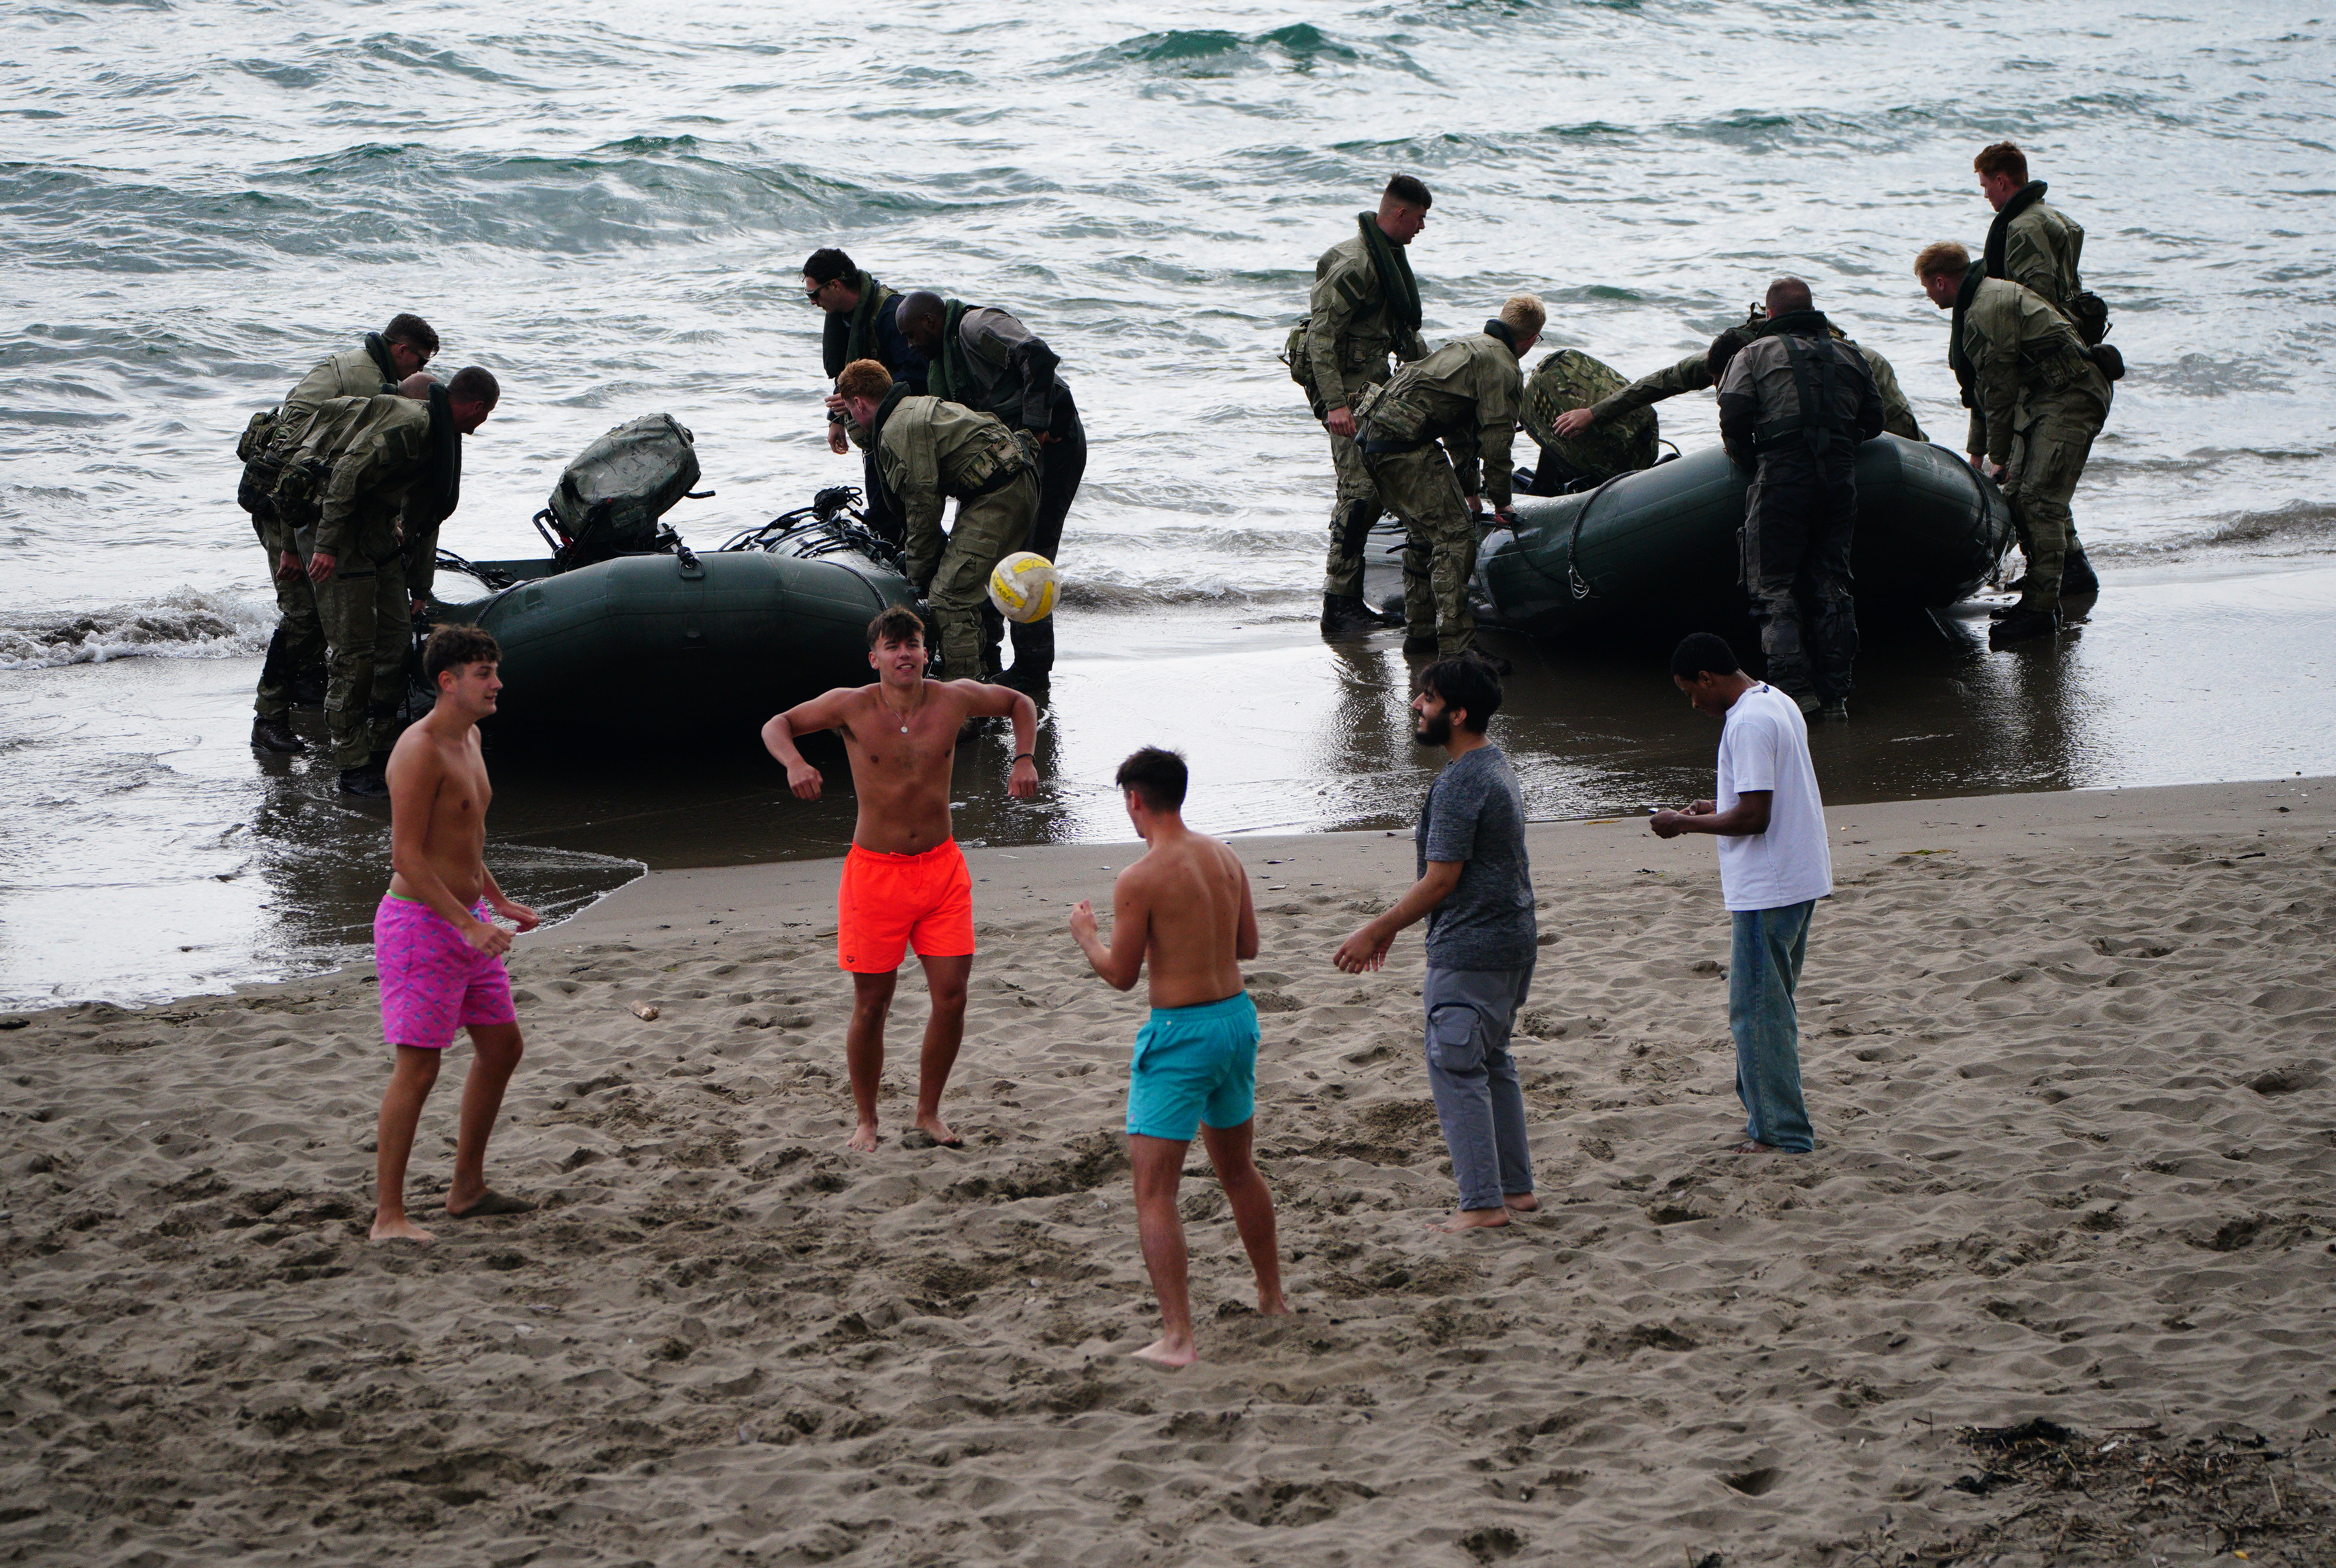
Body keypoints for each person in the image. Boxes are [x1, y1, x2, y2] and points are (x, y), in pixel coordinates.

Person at [760, 605, 1040, 1152]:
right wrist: (794, 762)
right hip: (875, 874)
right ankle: (866, 1120)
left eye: (912, 643)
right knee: (872, 1003)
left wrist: (1024, 757)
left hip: (941, 870)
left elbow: (1019, 701)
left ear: (923, 651)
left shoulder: (953, 698)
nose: (904, 653)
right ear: (875, 658)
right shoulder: (851, 706)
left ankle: (928, 1113)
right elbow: (778, 724)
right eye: (892, 646)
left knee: (953, 996)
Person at [1068, 747, 1286, 1367]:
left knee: (1154, 1191)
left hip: (1183, 1033)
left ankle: (1179, 1337)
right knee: (1238, 1169)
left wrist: (1087, 937)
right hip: (1236, 1020)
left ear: (1136, 799)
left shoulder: (1139, 878)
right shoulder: (1225, 857)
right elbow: (1248, 944)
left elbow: (1120, 975)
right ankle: (1272, 1296)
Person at [1333, 658, 1538, 1231]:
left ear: (1459, 712)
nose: (1417, 706)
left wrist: (1379, 927)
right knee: (1491, 1060)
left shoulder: (1462, 781)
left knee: (1457, 1067)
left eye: (1427, 698)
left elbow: (1441, 879)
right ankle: (1516, 1190)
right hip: (1513, 939)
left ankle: (1481, 1204)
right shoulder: (1496, 765)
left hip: (1473, 947)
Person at [369, 624, 539, 1242]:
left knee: (502, 1048)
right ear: (448, 681)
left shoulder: (470, 737)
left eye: (496, 670)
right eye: (483, 674)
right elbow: (408, 856)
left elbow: (465, 838)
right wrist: (468, 923)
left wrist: (496, 901)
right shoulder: (419, 750)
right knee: (418, 1068)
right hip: (420, 926)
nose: (497, 683)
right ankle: (389, 1217)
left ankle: (466, 1189)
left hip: (471, 925)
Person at [1649, 632, 1831, 1155]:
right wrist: (1714, 805)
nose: (1693, 703)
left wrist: (1682, 824)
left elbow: (1755, 816)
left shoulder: (1747, 722)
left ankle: (1781, 1133)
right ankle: (1766, 1117)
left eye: (1691, 691)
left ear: (1708, 678)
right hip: (1798, 877)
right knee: (1771, 1004)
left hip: (1769, 888)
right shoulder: (1777, 700)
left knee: (1757, 1010)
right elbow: (1757, 797)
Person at [290, 366, 499, 795]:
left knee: (395, 640)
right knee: (353, 652)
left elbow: (426, 517)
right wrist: (326, 546)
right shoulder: (412, 425)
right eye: (487, 414)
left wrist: (419, 588)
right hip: (337, 530)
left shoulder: (442, 439)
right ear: (478, 408)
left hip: (376, 533)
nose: (484, 422)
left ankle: (384, 746)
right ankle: (351, 763)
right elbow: (347, 474)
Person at [250, 314, 439, 756]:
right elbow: (300, 468)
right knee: (303, 615)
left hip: (305, 497)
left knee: (323, 614)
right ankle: (269, 717)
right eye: (422, 361)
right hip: (285, 501)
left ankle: (309, 688)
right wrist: (293, 546)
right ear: (402, 352)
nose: (420, 371)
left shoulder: (370, 372)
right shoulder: (370, 386)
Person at [1916, 240, 2112, 646]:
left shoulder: (1987, 307)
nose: (1928, 295)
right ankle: (2043, 598)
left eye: (1927, 287)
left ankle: (2040, 612)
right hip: (2048, 398)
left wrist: (1998, 457)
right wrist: (1978, 453)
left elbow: (2000, 391)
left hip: (2072, 395)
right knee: (2022, 497)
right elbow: (1983, 393)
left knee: (2040, 501)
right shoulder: (1981, 300)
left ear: (1940, 281)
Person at [894, 290, 1085, 692]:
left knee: (1029, 559)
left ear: (931, 322)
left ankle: (1032, 671)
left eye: (912, 335)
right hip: (1009, 456)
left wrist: (1034, 427)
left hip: (1054, 443)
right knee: (986, 555)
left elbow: (1038, 356)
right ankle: (987, 659)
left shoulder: (976, 326)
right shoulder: (942, 361)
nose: (911, 345)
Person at [1714, 277, 1885, 718]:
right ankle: (1837, 695)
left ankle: (1795, 693)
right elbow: (1876, 420)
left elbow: (1733, 415)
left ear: (1770, 315)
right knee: (1833, 582)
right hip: (1840, 478)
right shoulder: (1853, 355)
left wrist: (1752, 460)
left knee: (1772, 587)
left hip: (1783, 475)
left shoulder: (1752, 355)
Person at [1354, 294, 1542, 659]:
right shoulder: (1503, 366)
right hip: (1405, 448)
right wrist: (1502, 502)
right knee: (1456, 539)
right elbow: (1497, 444)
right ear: (1532, 340)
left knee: (1425, 535)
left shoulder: (1465, 348)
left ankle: (1420, 633)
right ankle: (1458, 649)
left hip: (1373, 442)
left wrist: (1470, 491)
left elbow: (1459, 433)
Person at [832, 357, 1041, 683]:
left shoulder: (898, 430)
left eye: (849, 410)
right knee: (961, 586)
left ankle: (963, 706)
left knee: (949, 597)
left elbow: (922, 511)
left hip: (1001, 494)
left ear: (858, 403)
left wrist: (917, 577)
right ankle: (981, 675)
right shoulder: (911, 407)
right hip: (1007, 481)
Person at [1300, 175, 1433, 639]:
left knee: (1372, 492)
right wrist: (1335, 405)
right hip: (1348, 398)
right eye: (1419, 219)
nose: (1421, 228)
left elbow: (1400, 333)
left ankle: (1348, 601)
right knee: (1357, 496)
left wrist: (1436, 376)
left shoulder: (1387, 260)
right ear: (1399, 214)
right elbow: (1321, 336)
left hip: (1373, 391)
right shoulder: (1357, 264)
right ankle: (1338, 608)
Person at [1975, 141, 2101, 597]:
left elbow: (2035, 299)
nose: (1986, 195)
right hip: (2070, 359)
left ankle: (2060, 577)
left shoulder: (2023, 228)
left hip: (2046, 369)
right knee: (2044, 483)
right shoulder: (2055, 218)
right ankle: (2073, 566)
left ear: (2003, 181)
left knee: (2032, 488)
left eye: (1986, 185)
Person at [1550, 312, 1923, 447]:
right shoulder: (1722, 356)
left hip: (1853, 379)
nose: (1719, 392)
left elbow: (1881, 419)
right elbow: (1660, 383)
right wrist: (1595, 413)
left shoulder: (1787, 361)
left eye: (1724, 383)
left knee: (1906, 435)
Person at [806, 247, 929, 456]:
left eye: (815, 294)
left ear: (835, 286)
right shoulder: (842, 315)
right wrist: (836, 419)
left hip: (910, 429)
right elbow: (847, 372)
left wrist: (858, 395)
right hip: (875, 431)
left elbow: (918, 374)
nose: (812, 302)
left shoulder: (890, 312)